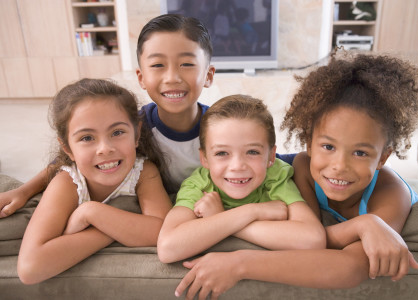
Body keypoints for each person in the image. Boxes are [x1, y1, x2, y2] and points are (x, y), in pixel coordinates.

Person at [173, 53, 418, 300]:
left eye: (360, 152)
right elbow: (312, 238)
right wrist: (359, 226)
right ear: (308, 144)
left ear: (382, 157)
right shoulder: (303, 164)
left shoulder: (391, 192)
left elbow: (350, 266)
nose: (339, 166)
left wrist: (238, 263)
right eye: (328, 147)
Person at [0, 13, 294, 215]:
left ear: (208, 74)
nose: (172, 78)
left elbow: (266, 159)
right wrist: (25, 191)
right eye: (157, 66)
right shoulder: (129, 127)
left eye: (187, 64)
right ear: (141, 78)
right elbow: (66, 160)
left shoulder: (223, 129)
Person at [17, 78, 172, 284]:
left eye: (117, 132)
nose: (105, 148)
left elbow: (164, 232)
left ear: (136, 134)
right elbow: (30, 268)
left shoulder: (143, 171)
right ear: (67, 148)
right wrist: (109, 230)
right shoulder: (67, 182)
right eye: (87, 138)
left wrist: (91, 213)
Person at [157, 95, 325, 264]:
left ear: (271, 156)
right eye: (222, 153)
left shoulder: (275, 176)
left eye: (252, 152)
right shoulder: (199, 185)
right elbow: (167, 249)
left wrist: (220, 218)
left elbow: (313, 240)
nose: (237, 166)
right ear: (205, 159)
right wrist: (252, 212)